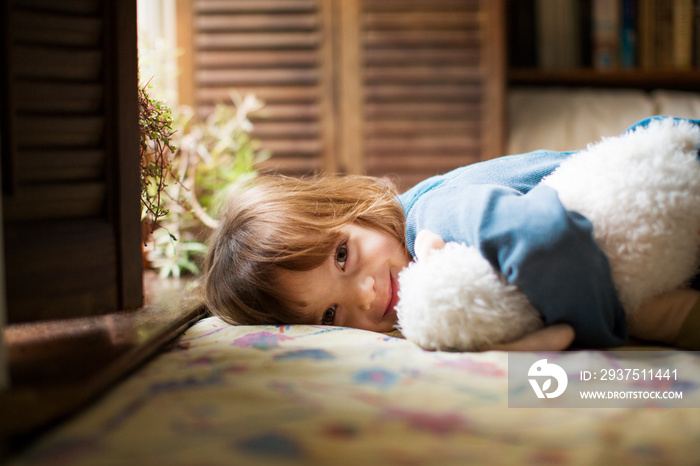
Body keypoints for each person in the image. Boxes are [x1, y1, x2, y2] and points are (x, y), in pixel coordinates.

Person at [203, 116, 700, 351]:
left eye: (341, 255)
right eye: (331, 313)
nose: (368, 294)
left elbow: (548, 241)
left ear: (351, 210)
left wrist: (608, 333)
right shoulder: (429, 290)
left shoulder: (436, 216)